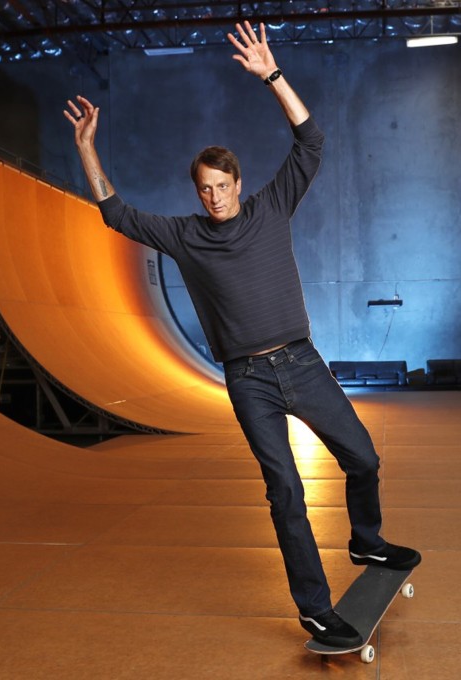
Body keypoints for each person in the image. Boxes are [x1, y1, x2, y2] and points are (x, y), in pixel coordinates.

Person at [64, 20, 420, 649]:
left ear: (238, 183)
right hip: (248, 379)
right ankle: (313, 608)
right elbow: (115, 212)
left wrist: (273, 76)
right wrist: (88, 146)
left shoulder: (270, 205)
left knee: (363, 457)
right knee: (285, 488)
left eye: (222, 188)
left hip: (303, 364)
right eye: (204, 190)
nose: (214, 199)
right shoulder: (184, 234)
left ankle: (367, 541)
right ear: (196, 192)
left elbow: (311, 141)